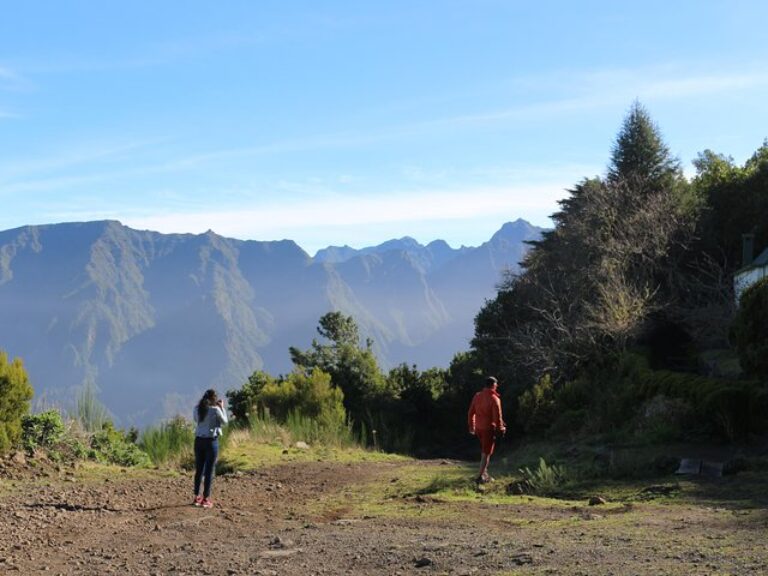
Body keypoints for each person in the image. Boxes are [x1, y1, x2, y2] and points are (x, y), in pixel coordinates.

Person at [192, 389, 228, 508]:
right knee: (209, 471)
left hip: (198, 441)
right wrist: (222, 407)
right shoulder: (216, 410)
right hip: (211, 442)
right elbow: (225, 422)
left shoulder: (197, 409)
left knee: (199, 470)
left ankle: (197, 497)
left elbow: (196, 420)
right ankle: (206, 499)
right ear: (214, 399)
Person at [467, 376, 506, 483]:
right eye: (496, 384)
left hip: (479, 429)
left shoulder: (477, 396)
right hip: (488, 429)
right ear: (493, 385)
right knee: (486, 453)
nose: (497, 386)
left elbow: (470, 413)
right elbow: (497, 418)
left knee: (486, 451)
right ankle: (479, 477)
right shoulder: (495, 399)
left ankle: (485, 474)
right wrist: (501, 429)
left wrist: (472, 426)